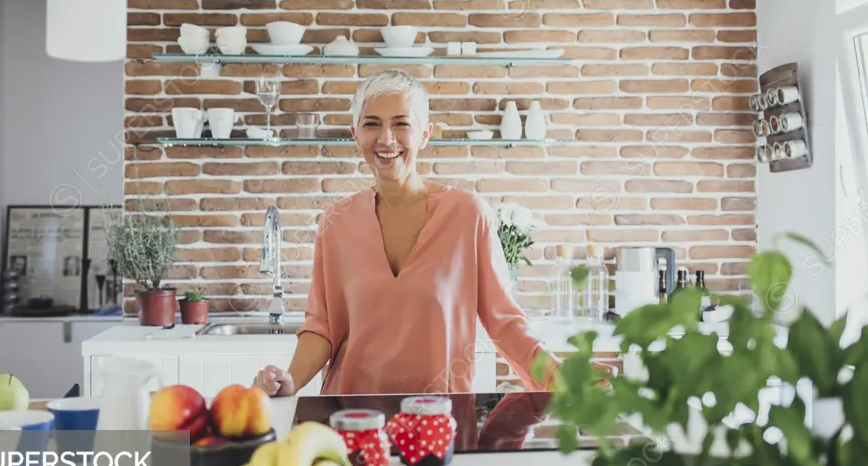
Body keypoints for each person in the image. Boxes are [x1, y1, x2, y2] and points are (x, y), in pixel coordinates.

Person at [253, 70, 611, 396]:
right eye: (372, 124)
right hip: (350, 416)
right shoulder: (336, 222)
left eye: (401, 124)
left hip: (440, 418)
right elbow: (323, 326)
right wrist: (290, 380)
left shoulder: (469, 216)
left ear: (425, 133)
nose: (386, 138)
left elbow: (505, 323)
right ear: (355, 134)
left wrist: (557, 374)